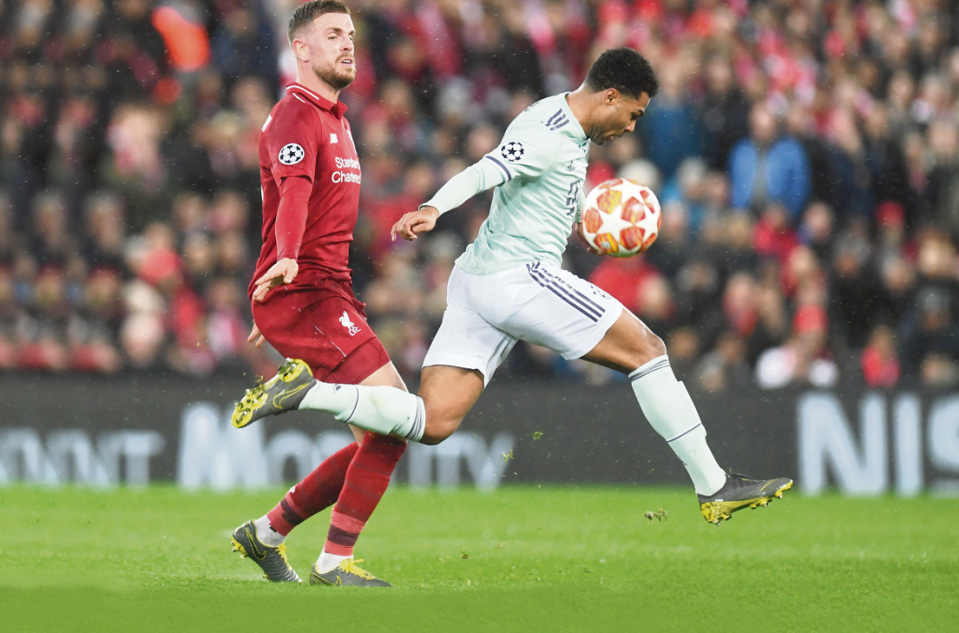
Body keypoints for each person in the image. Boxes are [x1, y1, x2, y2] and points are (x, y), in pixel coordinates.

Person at [234, 48, 792, 529]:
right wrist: (433, 207)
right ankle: (713, 485)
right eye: (633, 113)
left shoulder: (560, 122)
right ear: (611, 95)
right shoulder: (548, 132)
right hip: (517, 278)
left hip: (478, 282)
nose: (631, 126)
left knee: (432, 422)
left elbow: (529, 193)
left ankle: (305, 393)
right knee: (649, 351)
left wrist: (577, 229)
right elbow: (487, 170)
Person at [229, 1, 404, 588]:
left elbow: (290, 202)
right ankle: (333, 561)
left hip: (317, 293)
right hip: (306, 291)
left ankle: (267, 532)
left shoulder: (337, 118)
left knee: (381, 438)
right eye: (333, 35)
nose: (347, 45)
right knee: (397, 418)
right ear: (301, 48)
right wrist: (284, 261)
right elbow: (294, 192)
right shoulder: (294, 114)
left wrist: (278, 283)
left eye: (350, 35)